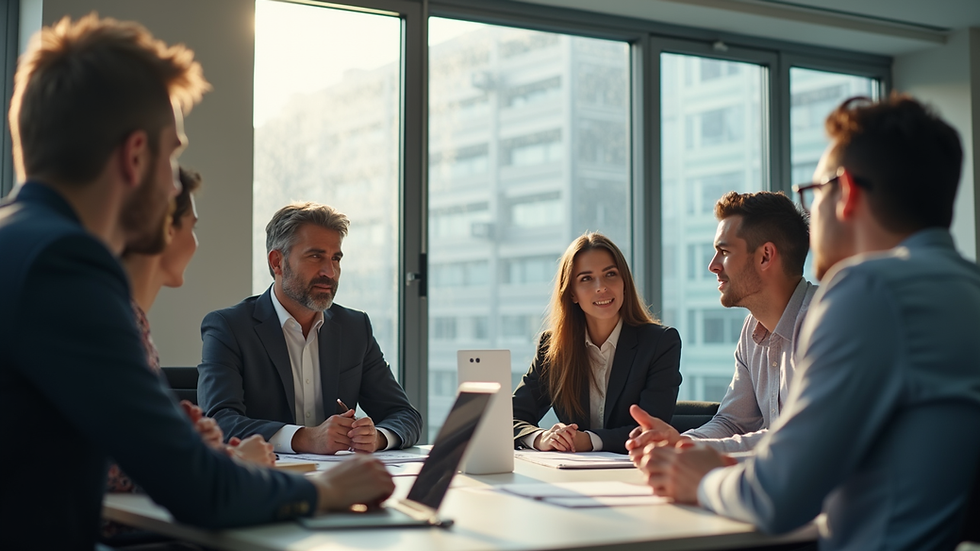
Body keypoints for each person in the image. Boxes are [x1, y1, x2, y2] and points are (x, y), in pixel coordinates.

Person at [0, 15, 392, 550]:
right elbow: (195, 486)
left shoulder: (19, 242)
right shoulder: (66, 265)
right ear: (136, 156)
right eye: (173, 154)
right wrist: (324, 491)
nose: (173, 182)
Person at [628, 94, 980, 550]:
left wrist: (701, 478)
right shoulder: (966, 289)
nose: (810, 217)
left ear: (847, 192)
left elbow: (778, 494)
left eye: (813, 194)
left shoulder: (868, 289)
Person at [198, 202, 423, 455]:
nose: (330, 271)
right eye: (315, 256)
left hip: (340, 482)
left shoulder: (355, 328)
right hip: (263, 481)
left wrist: (377, 437)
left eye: (335, 258)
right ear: (277, 262)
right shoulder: (229, 328)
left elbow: (405, 415)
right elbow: (218, 421)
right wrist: (305, 438)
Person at [629, 191, 814, 453]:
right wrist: (681, 443)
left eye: (724, 251)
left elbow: (800, 437)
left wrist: (695, 450)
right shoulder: (752, 329)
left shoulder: (824, 321)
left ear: (765, 256)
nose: (712, 266)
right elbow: (733, 423)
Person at [512, 232, 681, 454]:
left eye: (610, 274)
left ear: (624, 283)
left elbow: (651, 429)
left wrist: (589, 440)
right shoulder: (552, 347)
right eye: (586, 278)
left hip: (635, 472)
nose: (601, 287)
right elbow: (510, 416)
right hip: (573, 475)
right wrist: (541, 437)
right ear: (572, 293)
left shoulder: (660, 343)